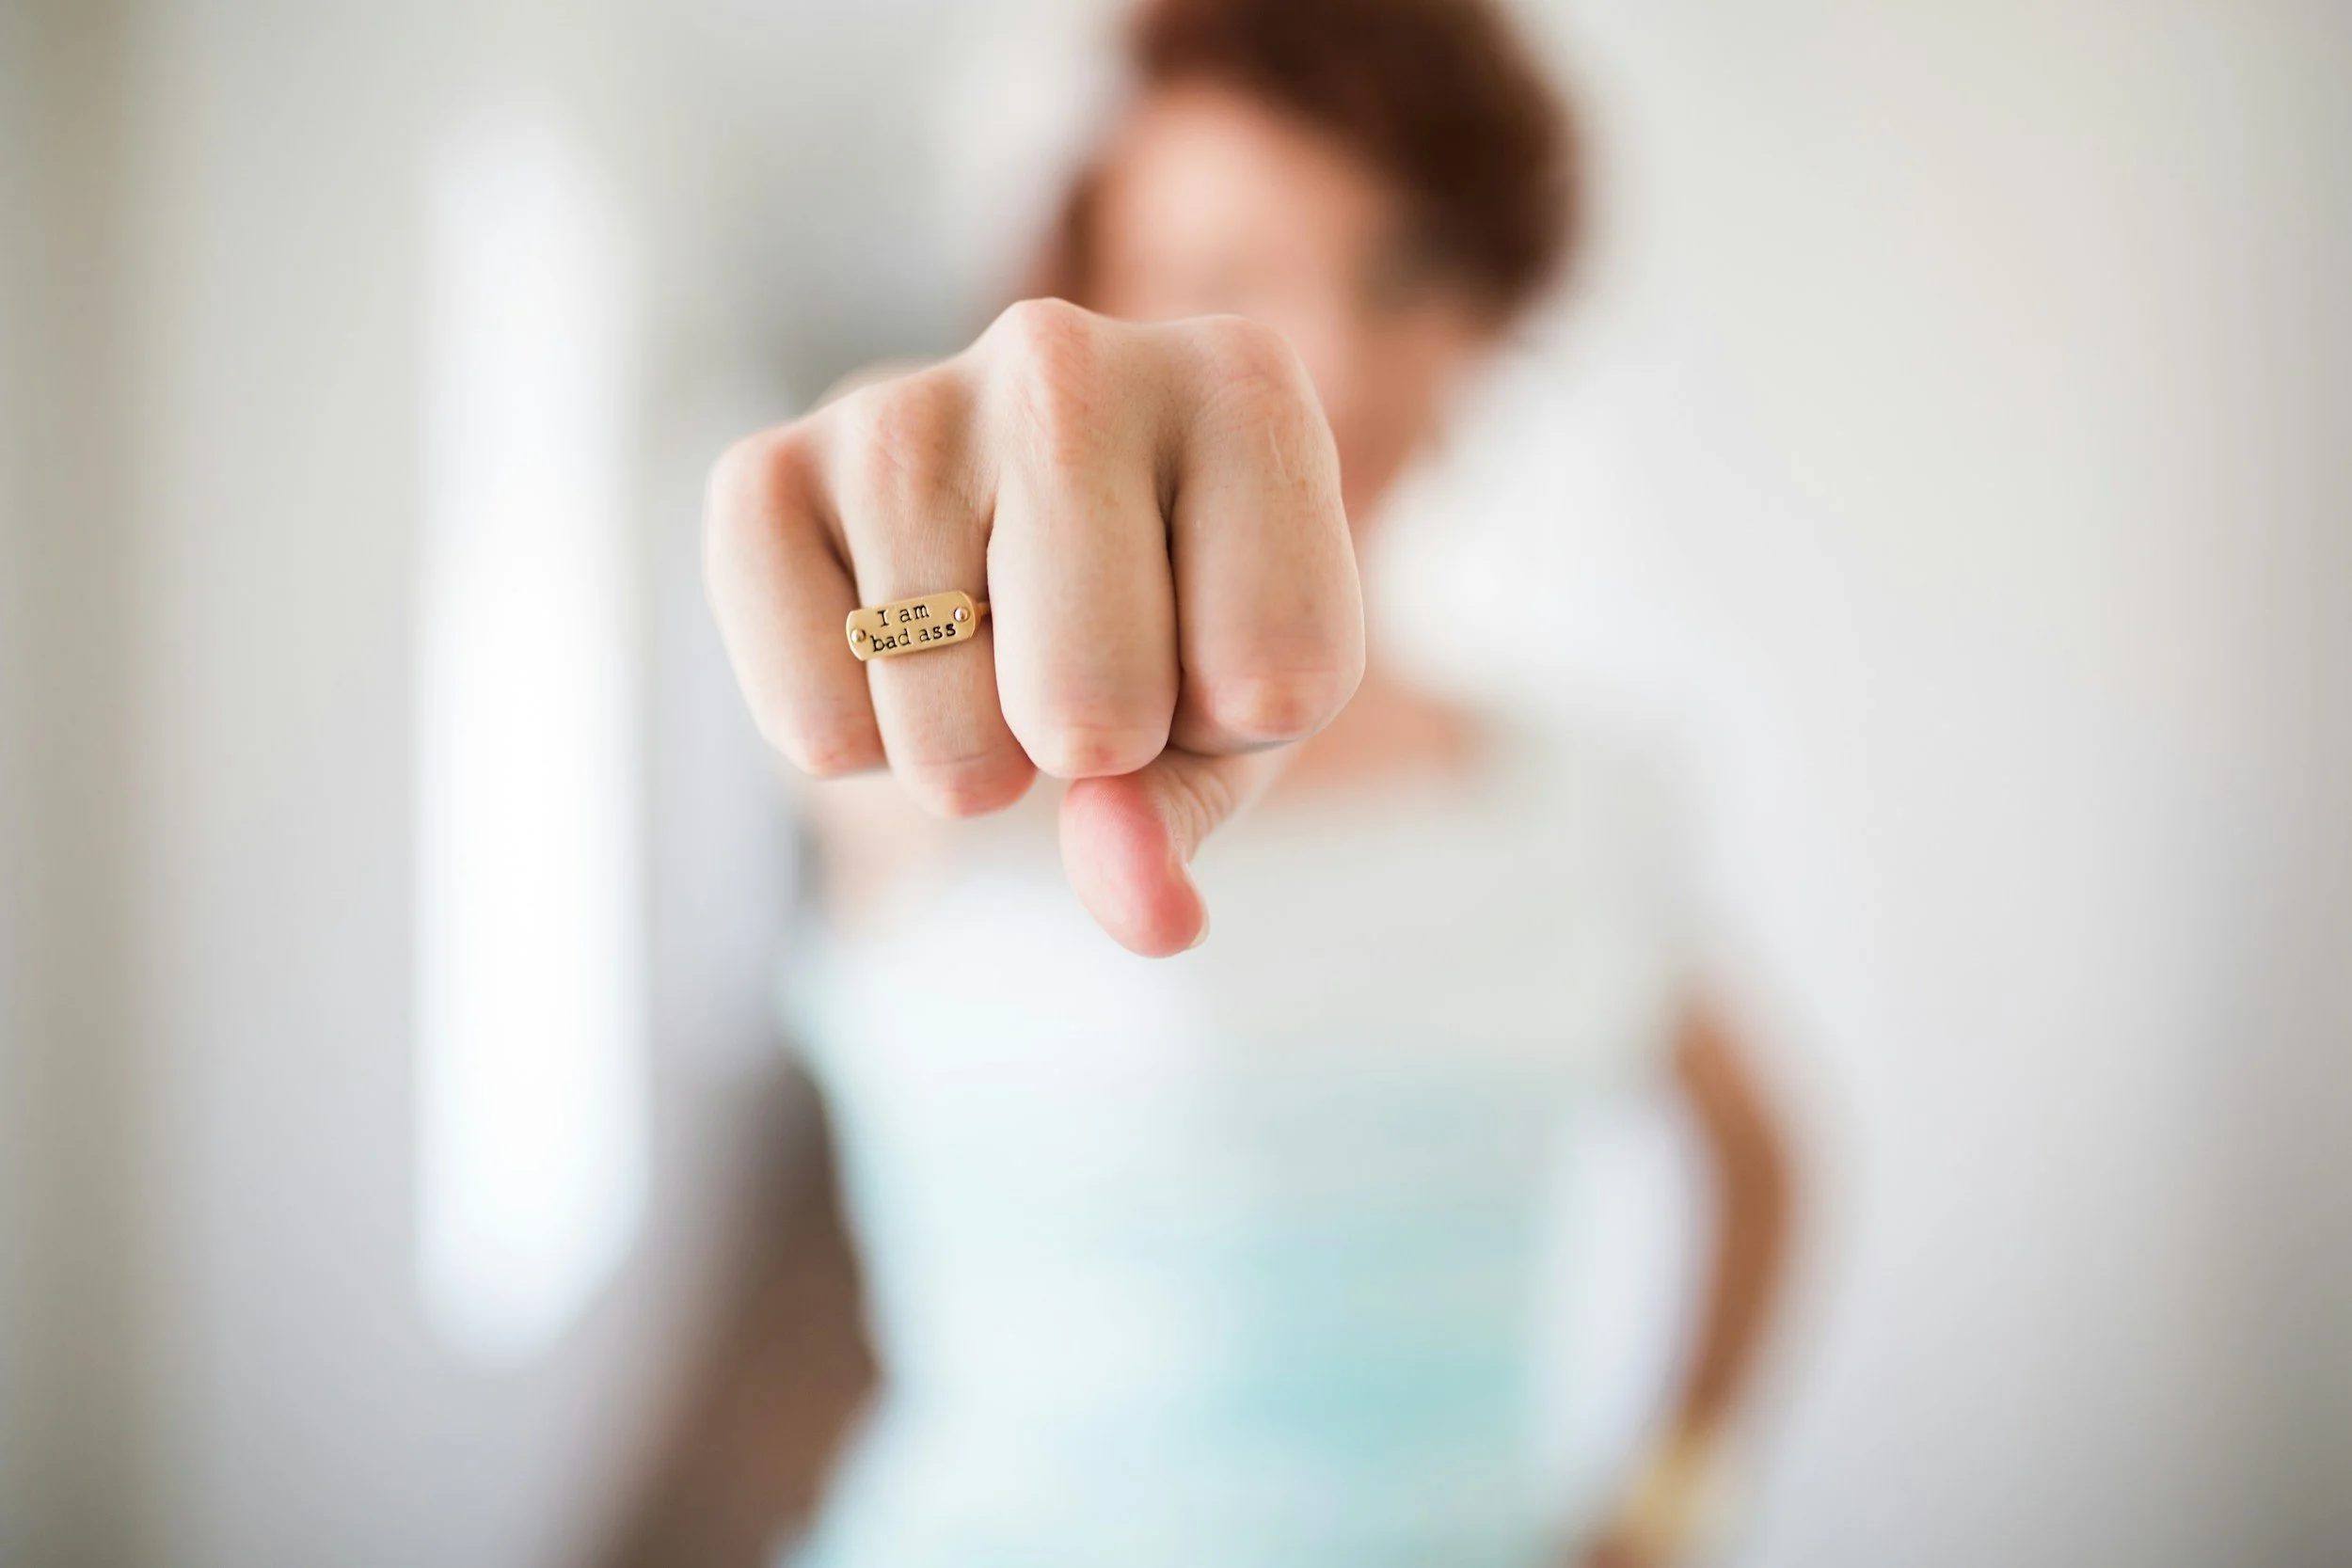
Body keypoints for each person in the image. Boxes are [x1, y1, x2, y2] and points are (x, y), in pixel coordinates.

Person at [700, 1, 1796, 1563]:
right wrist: (878, 525)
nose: (1330, 363)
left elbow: (1764, 1162)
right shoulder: (958, 764)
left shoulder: (1591, 796)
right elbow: (855, 740)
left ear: (1490, 305)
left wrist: (1672, 1502)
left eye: (1404, 270)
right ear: (1078, 320)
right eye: (1221, 282)